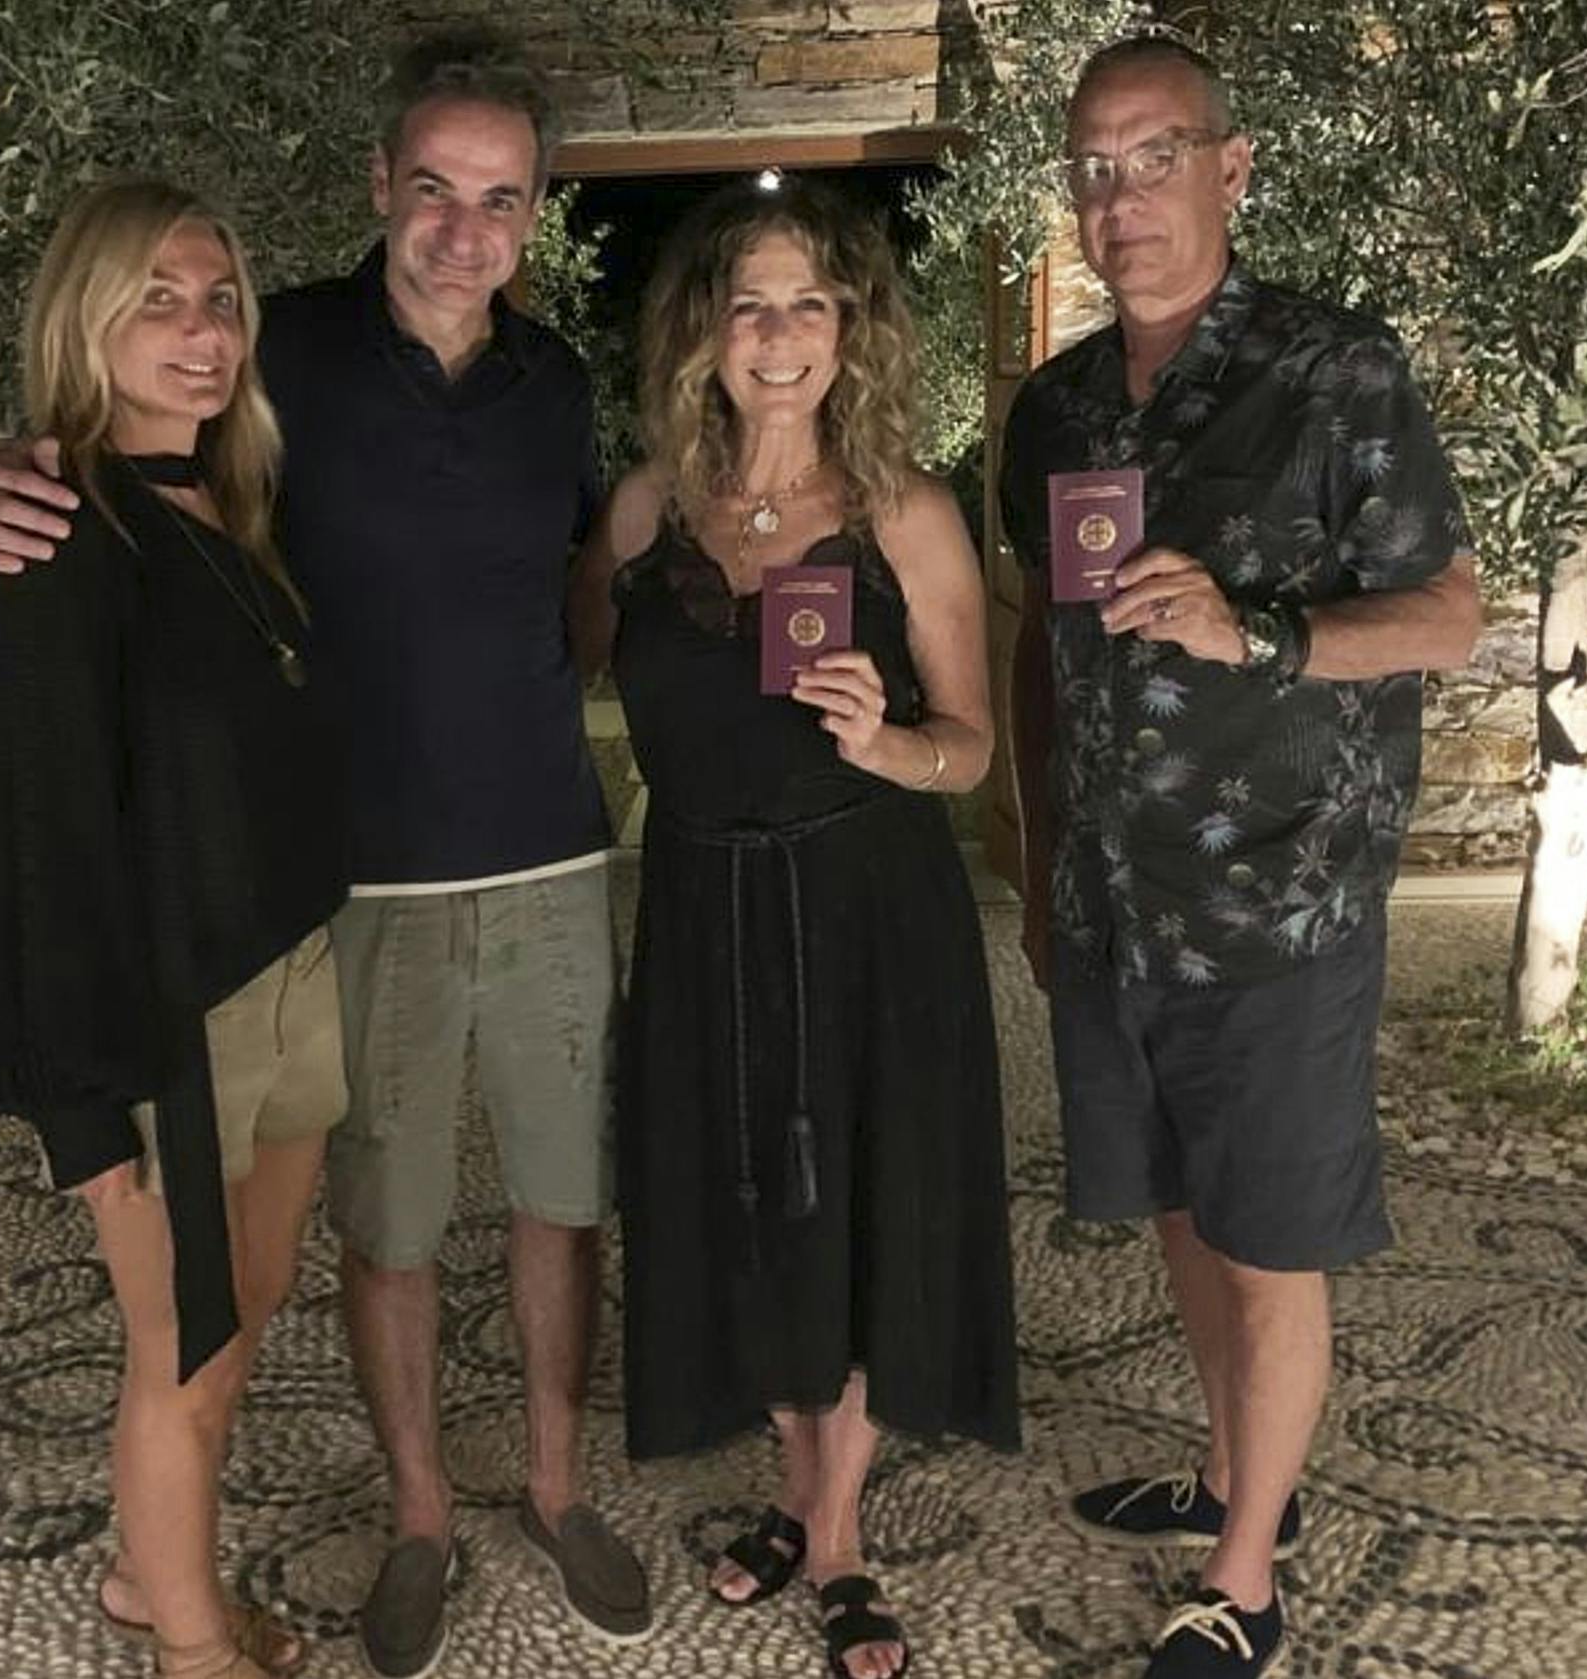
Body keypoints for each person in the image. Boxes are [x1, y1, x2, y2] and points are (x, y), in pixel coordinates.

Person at [0, 33, 651, 1678]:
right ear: (380, 192)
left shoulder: (546, 387)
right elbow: (82, 520)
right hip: (344, 899)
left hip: (521, 867)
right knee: (362, 1237)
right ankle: (410, 1525)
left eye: (501, 200)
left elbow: (582, 578)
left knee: (542, 1203)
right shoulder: (284, 372)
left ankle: (548, 1493)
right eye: (434, 189)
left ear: (536, 217)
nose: (464, 228)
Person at [1001, 34, 1484, 1679]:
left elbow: (1452, 616)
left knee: (1271, 1241)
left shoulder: (1336, 370)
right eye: (1094, 165)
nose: (1119, 197)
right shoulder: (1056, 404)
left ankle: (1251, 1581)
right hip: (1115, 902)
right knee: (1183, 1218)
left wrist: (1257, 627)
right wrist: (1036, 850)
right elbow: (1040, 649)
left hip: (1281, 903)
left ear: (1234, 166)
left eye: (1154, 156)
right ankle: (1232, 1480)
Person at [571, 175, 1021, 1679]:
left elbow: (975, 745)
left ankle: (832, 1536)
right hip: (702, 907)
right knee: (742, 1200)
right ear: (703, 326)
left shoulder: (906, 511)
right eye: (747, 302)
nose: (777, 336)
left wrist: (896, 744)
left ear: (852, 329)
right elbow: (544, 659)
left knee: (864, 1199)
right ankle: (792, 1479)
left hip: (869, 909)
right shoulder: (643, 510)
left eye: (807, 305)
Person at [0, 178, 348, 1679]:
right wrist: (75, 1098)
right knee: (180, 1351)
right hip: (163, 1018)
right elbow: (31, 835)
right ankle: (192, 1647)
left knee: (238, 1320)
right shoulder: (58, 529)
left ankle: (144, 1575)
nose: (201, 334)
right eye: (160, 301)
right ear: (88, 320)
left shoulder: (234, 505)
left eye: (221, 300)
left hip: (290, 968)